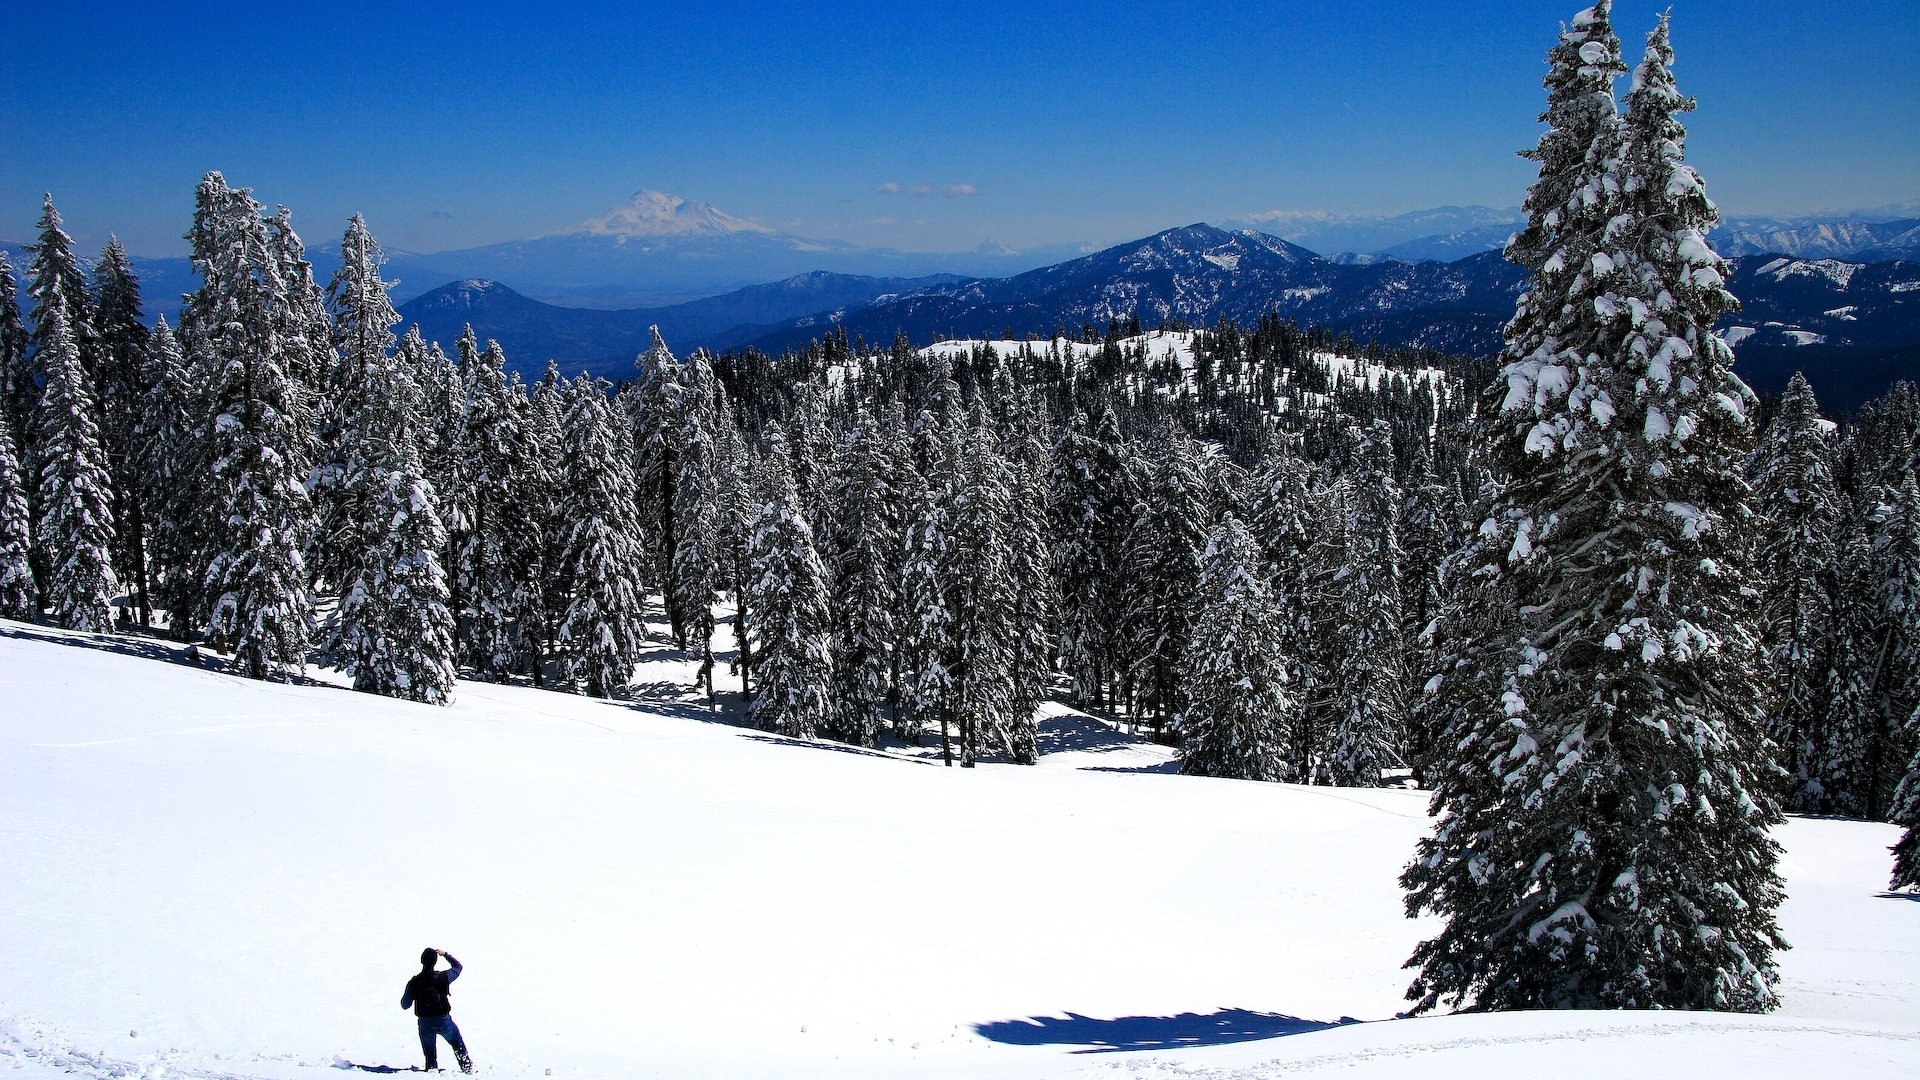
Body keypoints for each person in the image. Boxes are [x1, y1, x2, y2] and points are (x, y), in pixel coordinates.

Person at [401, 947, 472, 1073]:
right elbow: (458, 967)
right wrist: (445, 954)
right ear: (435, 962)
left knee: (430, 1053)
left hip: (425, 1023)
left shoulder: (414, 982)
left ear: (422, 961)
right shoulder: (443, 977)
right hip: (443, 1021)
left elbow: (405, 1005)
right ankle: (467, 1067)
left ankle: (432, 1069)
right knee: (456, 1042)